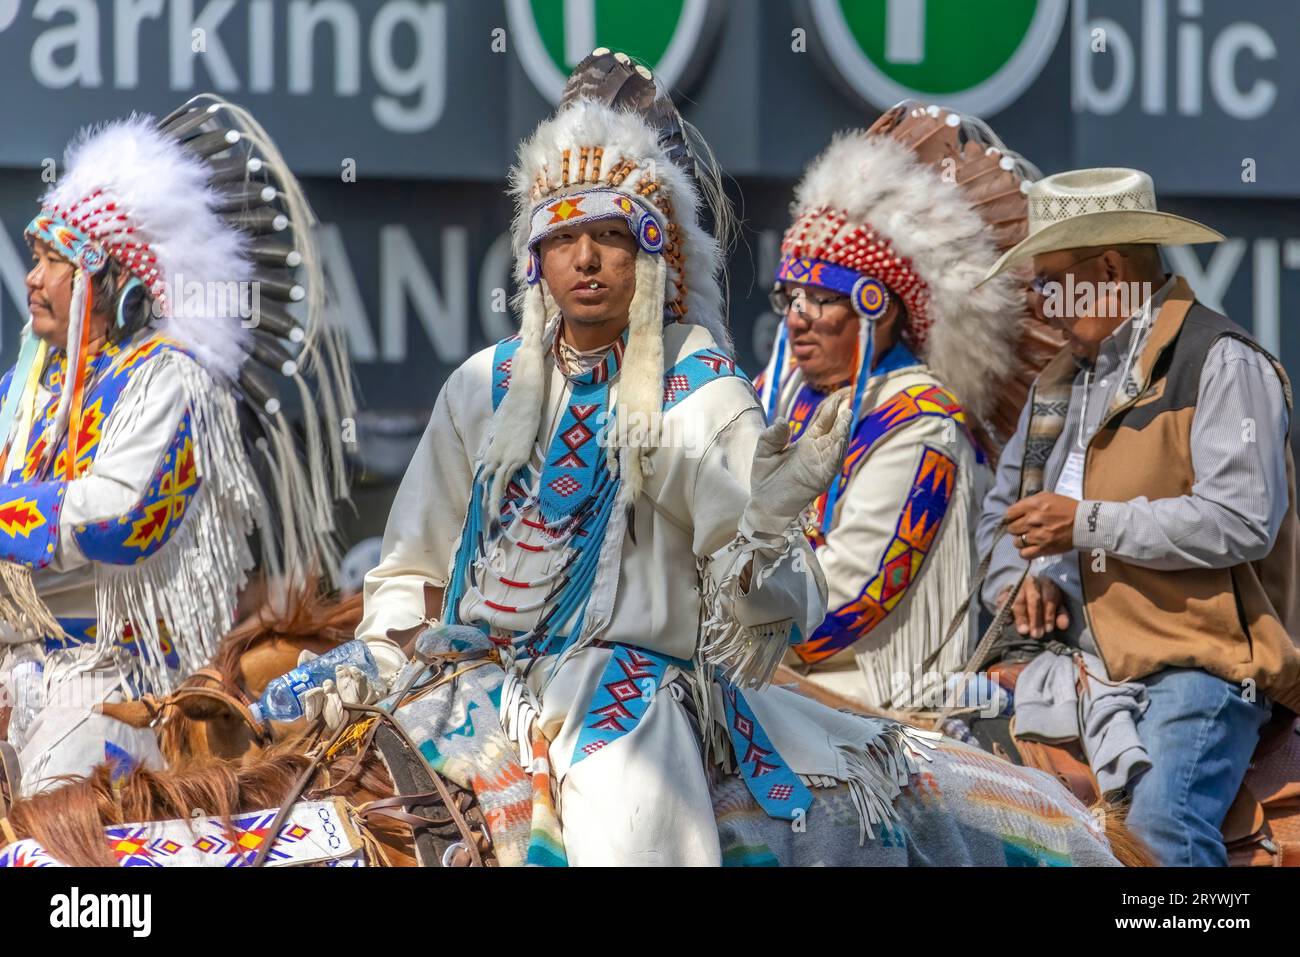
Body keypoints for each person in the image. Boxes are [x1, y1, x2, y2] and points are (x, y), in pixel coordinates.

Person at [347, 51, 954, 865]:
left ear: (655, 256)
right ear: (536, 261)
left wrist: (764, 530)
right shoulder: (479, 386)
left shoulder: (699, 385)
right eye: (564, 238)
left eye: (611, 235)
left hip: (626, 691)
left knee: (627, 821)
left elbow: (777, 600)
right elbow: (408, 563)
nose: (587, 259)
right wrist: (380, 654)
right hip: (467, 678)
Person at [0, 97, 353, 794]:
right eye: (34, 257)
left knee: (59, 846)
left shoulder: (175, 382)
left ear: (113, 281)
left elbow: (123, 519)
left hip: (111, 686)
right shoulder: (25, 387)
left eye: (53, 260)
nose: (32, 278)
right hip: (15, 670)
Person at [977, 166, 1299, 865]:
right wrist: (1015, 575)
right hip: (1066, 666)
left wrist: (1084, 524)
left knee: (1160, 826)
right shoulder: (1057, 381)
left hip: (1197, 669)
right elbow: (1003, 512)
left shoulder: (1222, 361)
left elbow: (1242, 518)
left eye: (1048, 280)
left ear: (1109, 268)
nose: (1040, 302)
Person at [756, 103, 1041, 711]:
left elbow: (847, 599)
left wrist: (718, 620)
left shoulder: (922, 424)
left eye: (823, 297)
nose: (798, 318)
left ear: (878, 308)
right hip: (766, 671)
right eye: (792, 295)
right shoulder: (775, 394)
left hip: (865, 699)